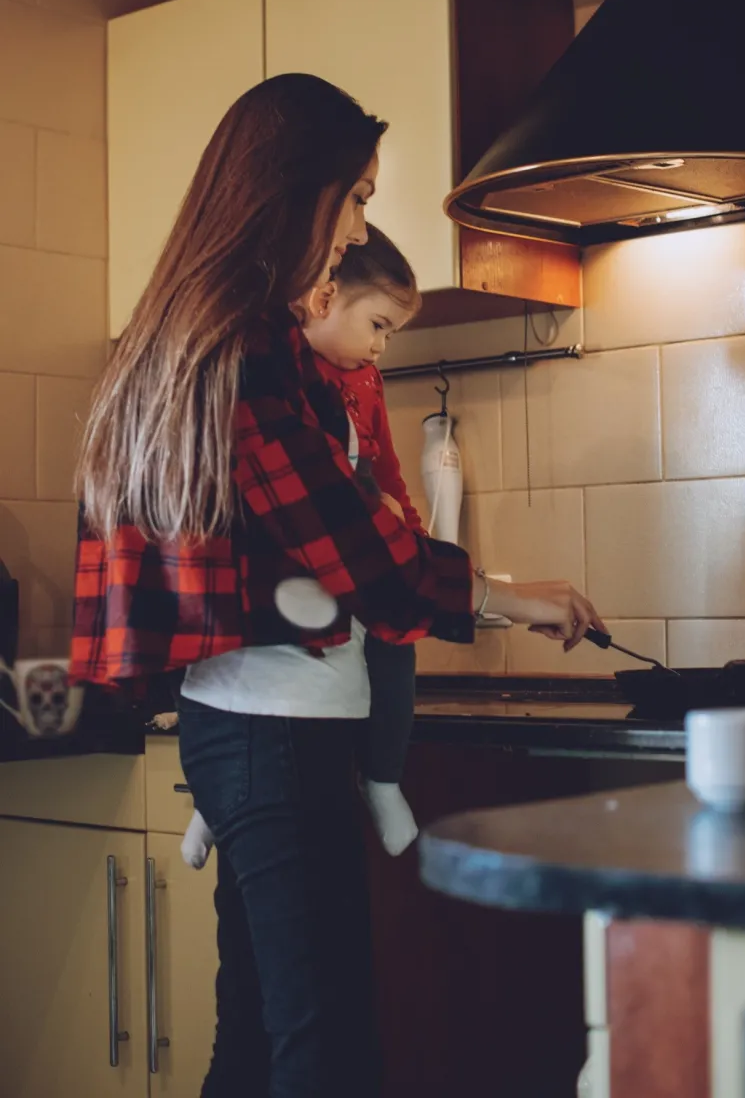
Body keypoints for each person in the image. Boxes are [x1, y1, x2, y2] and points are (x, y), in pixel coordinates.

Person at [70, 72, 607, 1098]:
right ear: (297, 192)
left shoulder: (209, 340)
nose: (360, 223)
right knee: (327, 1049)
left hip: (248, 725)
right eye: (356, 195)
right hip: (271, 733)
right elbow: (360, 555)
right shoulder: (242, 354)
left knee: (263, 1039)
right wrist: (507, 596)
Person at [180, 224, 426, 871]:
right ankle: (211, 803)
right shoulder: (272, 375)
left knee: (396, 643)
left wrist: (410, 535)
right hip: (264, 668)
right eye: (376, 325)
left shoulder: (360, 382)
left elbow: (385, 466)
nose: (377, 347)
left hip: (305, 654)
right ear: (324, 295)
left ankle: (381, 780)